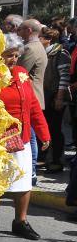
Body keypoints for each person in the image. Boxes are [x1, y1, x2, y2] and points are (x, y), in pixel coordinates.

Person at [0, 39, 51, 239]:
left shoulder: (21, 73)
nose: (14, 59)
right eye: (10, 54)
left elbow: (33, 105)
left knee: (24, 182)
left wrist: (44, 133)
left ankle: (20, 221)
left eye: (16, 55)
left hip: (22, 139)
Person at [18, 19, 47, 183]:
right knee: (31, 136)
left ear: (29, 30)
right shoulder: (38, 46)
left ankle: (32, 171)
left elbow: (20, 71)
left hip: (30, 98)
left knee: (30, 137)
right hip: (35, 96)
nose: (18, 31)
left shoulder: (30, 48)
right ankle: (31, 171)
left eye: (21, 28)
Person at [39, 27, 69, 173]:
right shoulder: (46, 54)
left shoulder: (60, 53)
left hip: (55, 98)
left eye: (40, 37)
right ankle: (46, 158)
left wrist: (59, 98)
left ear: (48, 39)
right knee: (47, 128)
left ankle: (56, 160)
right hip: (46, 96)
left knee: (55, 130)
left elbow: (64, 77)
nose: (38, 40)